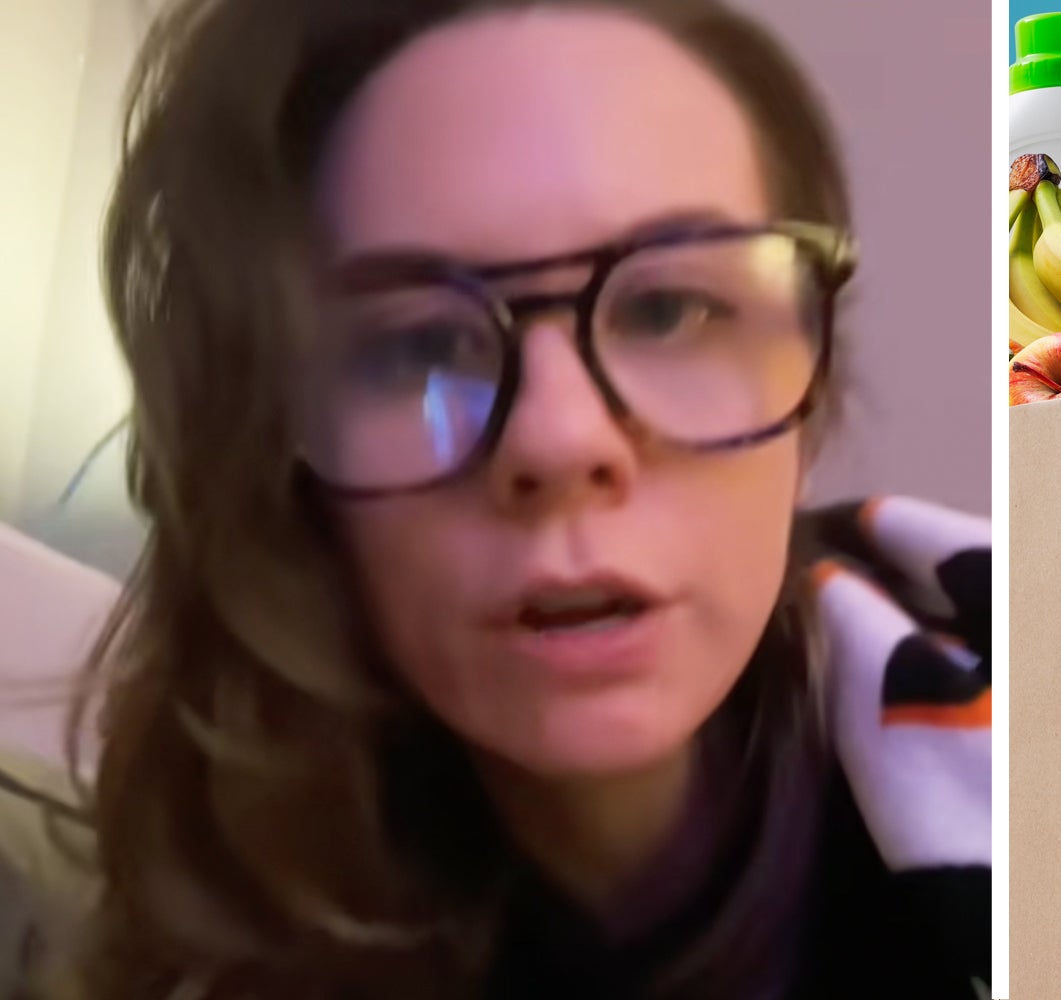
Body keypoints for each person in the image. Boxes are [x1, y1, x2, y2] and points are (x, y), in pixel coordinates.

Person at [0, 0, 992, 996]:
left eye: (668, 308)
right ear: (281, 464)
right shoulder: (205, 932)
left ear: (809, 398)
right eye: (416, 344)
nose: (560, 440)